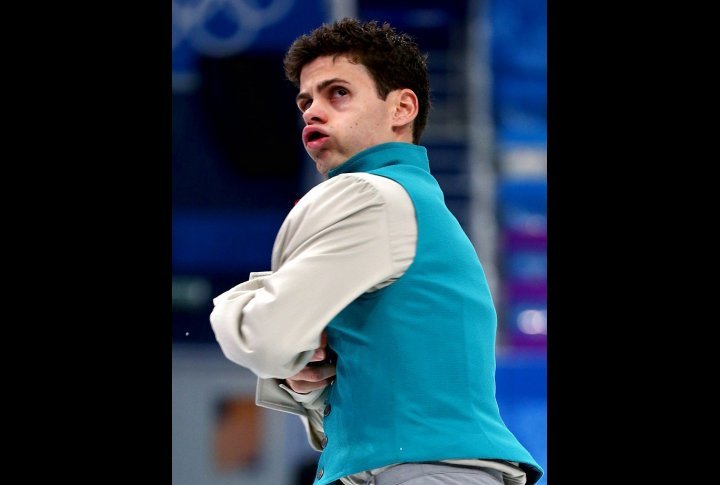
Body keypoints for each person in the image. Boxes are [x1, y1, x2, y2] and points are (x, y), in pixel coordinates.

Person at [209, 17, 543, 485]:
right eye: (305, 100)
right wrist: (308, 370)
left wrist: (233, 305)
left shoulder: (370, 196)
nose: (312, 111)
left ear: (402, 108)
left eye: (337, 93)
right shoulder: (410, 203)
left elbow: (264, 338)